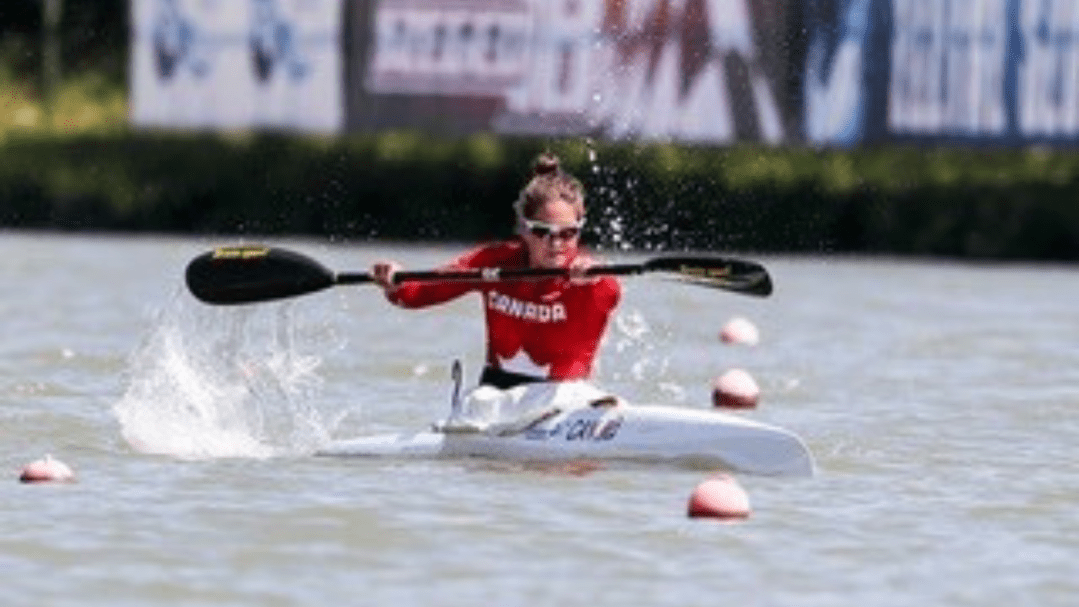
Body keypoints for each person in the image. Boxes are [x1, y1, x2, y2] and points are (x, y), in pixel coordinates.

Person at [371, 153, 621, 391]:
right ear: (524, 228)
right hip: (497, 396)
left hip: (565, 396)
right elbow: (425, 291)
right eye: (542, 232)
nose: (556, 244)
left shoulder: (590, 275)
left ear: (580, 228)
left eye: (568, 234)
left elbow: (611, 293)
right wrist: (396, 283)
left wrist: (595, 279)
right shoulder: (495, 262)